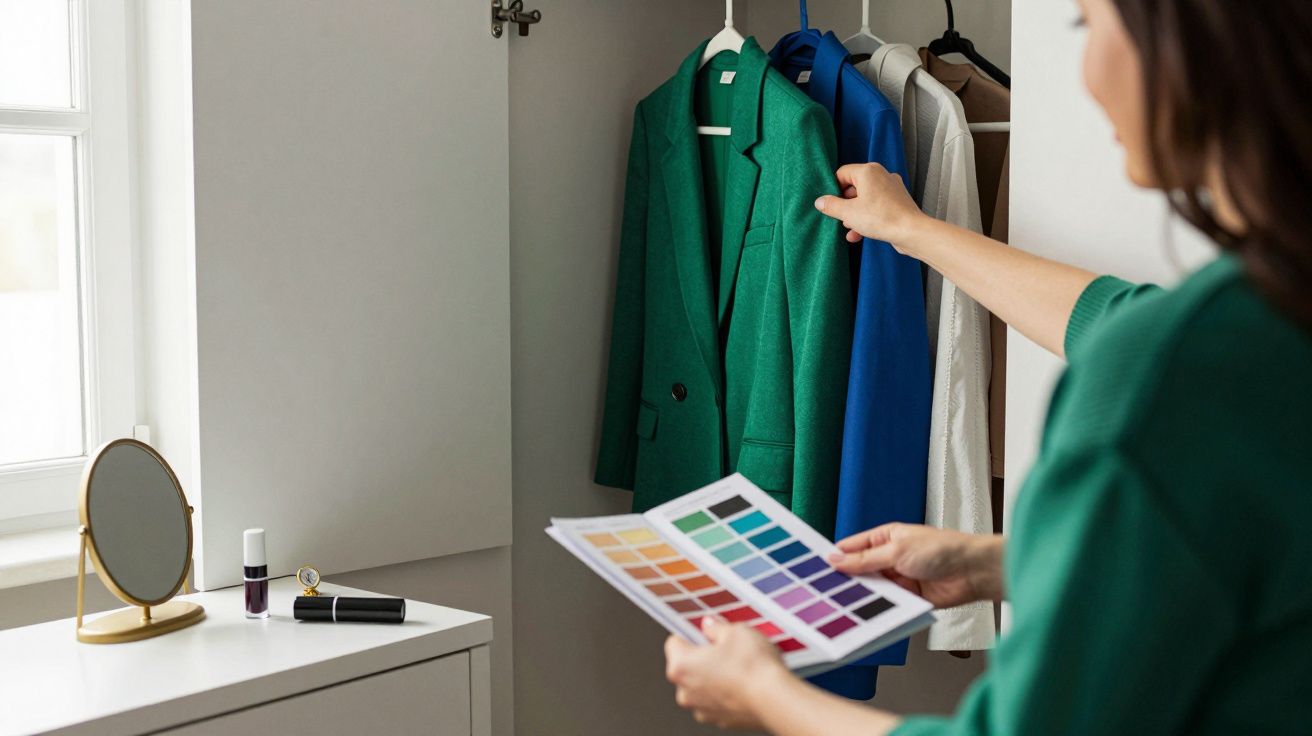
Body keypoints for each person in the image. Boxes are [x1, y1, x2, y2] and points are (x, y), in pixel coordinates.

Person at [663, 0, 1312, 733]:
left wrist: (765, 695)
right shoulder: (1268, 320)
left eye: (1088, 24)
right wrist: (1007, 560)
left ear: (1187, 41)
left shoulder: (1164, 379)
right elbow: (1117, 321)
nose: (1086, 72)